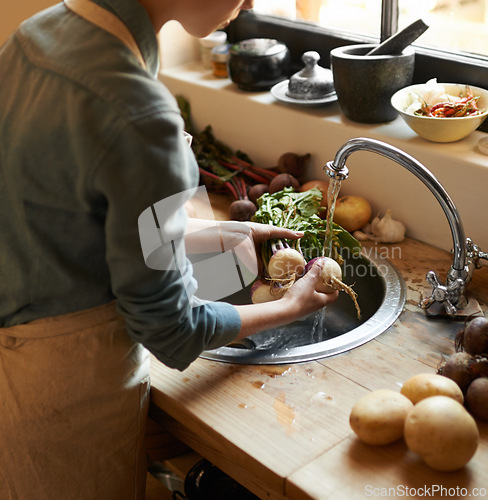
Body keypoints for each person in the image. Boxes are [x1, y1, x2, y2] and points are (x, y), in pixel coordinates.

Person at [0, 0, 339, 498]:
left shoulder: (38, 34)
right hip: (69, 387)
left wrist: (218, 234)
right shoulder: (140, 113)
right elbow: (172, 330)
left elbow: (71, 222)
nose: (249, 4)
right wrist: (289, 307)